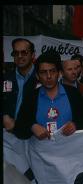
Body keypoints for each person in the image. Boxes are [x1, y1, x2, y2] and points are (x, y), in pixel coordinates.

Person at [8, 50, 83, 140]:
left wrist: (76, 124)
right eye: (43, 72)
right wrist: (32, 126)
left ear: (59, 73)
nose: (48, 76)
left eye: (52, 71)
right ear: (37, 75)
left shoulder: (73, 94)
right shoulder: (31, 97)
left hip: (69, 151)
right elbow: (19, 130)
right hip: (40, 153)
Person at [2, 38, 38, 182]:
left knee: (31, 176)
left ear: (33, 55)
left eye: (24, 52)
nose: (20, 56)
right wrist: (4, 115)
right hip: (9, 137)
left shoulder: (42, 77)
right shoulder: (6, 78)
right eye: (16, 53)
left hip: (32, 136)